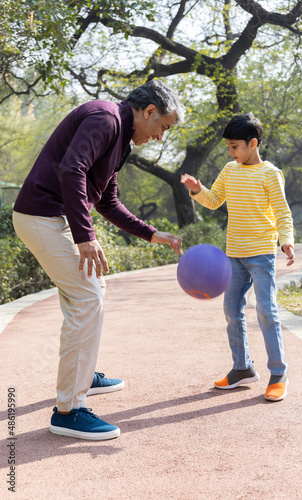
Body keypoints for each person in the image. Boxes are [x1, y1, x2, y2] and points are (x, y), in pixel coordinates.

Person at [13, 79, 183, 440]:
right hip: (42, 216)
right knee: (88, 296)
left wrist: (152, 233)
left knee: (90, 291)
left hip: (52, 217)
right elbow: (71, 170)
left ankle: (82, 374)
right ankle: (69, 411)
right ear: (149, 111)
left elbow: (106, 200)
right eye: (163, 127)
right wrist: (85, 237)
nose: (160, 137)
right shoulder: (106, 119)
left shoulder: (120, 136)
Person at [181, 113, 295, 402]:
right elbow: (214, 200)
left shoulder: (270, 173)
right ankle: (242, 368)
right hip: (234, 254)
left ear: (252, 143)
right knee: (232, 311)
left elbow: (282, 213)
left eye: (234, 147)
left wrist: (287, 242)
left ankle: (278, 373)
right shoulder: (230, 170)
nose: (231, 153)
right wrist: (197, 189)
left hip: (261, 254)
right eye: (229, 148)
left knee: (266, 311)